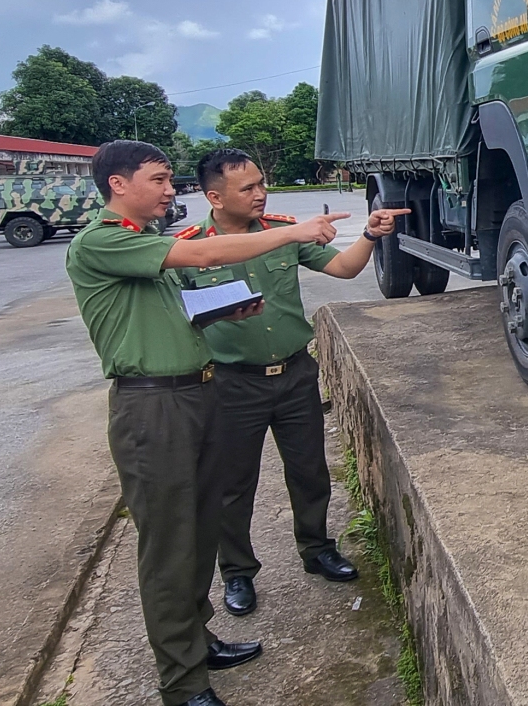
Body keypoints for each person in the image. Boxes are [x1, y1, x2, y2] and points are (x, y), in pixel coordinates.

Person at [65, 140, 349, 706]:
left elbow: (172, 313)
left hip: (198, 393)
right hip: (153, 408)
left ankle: (199, 640)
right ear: (118, 184)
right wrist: (293, 232)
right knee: (170, 548)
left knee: (197, 532)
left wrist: (222, 311)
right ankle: (183, 682)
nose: (171, 190)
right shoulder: (101, 240)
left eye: (171, 179)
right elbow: (204, 258)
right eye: (159, 179)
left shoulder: (148, 241)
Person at [176, 148, 409, 618]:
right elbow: (177, 317)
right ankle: (238, 572)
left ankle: (317, 548)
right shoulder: (189, 248)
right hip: (231, 383)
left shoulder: (283, 235)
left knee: (308, 470)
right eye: (248, 188)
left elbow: (344, 269)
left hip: (294, 373)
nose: (261, 194)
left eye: (262, 184)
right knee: (232, 484)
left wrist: (369, 234)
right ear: (214, 197)